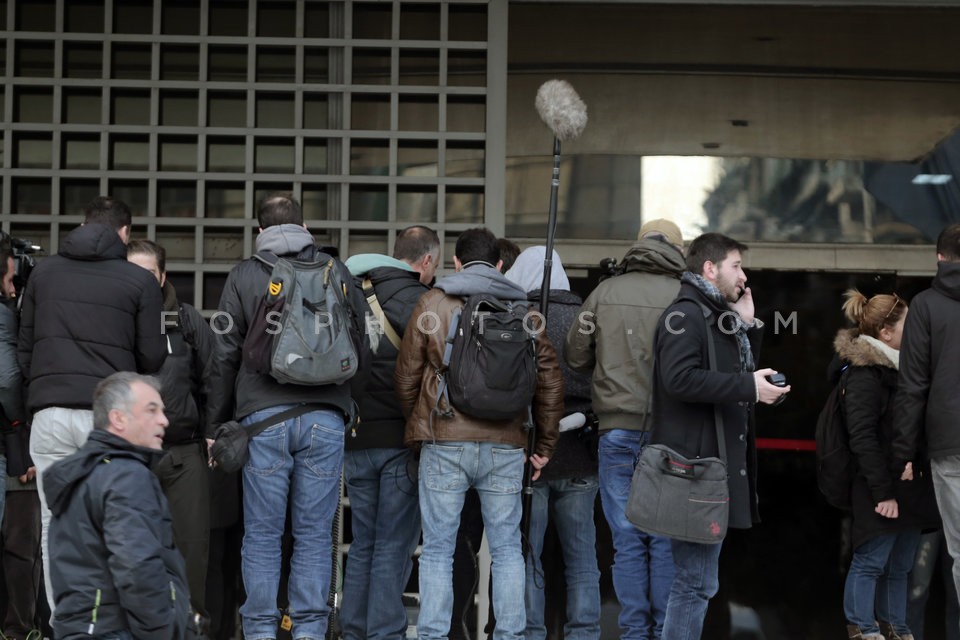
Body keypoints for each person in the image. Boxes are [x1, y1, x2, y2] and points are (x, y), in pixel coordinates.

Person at [204, 191, 369, 640]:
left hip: (263, 422)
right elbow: (362, 347)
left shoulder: (244, 275)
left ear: (260, 232)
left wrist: (216, 425)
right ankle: (310, 631)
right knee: (315, 535)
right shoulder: (338, 272)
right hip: (325, 419)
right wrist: (344, 404)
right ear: (305, 227)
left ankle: (259, 631)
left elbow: (223, 353)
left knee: (261, 534)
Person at [394, 227, 564, 640]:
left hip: (444, 440)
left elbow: (406, 378)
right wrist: (542, 446)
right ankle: (509, 635)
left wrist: (420, 425)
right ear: (502, 264)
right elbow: (549, 381)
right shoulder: (524, 311)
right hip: (505, 446)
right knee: (507, 549)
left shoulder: (433, 302)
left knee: (437, 549)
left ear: (454, 262)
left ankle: (433, 635)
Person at [17, 195, 167, 613]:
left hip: (49, 415)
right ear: (125, 233)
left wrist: (41, 395)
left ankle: (70, 623)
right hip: (108, 418)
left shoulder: (43, 274)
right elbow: (153, 357)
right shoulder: (138, 282)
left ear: (83, 225)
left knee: (55, 525)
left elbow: (24, 350)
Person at [651, 232, 789, 640]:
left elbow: (728, 371)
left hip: (708, 468)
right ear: (710, 268)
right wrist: (749, 387)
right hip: (695, 469)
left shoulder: (710, 313)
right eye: (736, 266)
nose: (743, 276)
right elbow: (678, 379)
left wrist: (746, 325)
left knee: (698, 583)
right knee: (694, 583)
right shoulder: (687, 314)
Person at [565, 219, 686, 639]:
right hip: (672, 434)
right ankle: (666, 630)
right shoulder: (686, 297)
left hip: (616, 431)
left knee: (628, 539)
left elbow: (575, 357)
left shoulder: (604, 293)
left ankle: (635, 633)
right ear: (676, 249)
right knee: (666, 537)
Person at [339, 225, 439, 640]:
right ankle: (383, 632)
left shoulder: (349, 292)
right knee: (392, 547)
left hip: (356, 436)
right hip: (400, 440)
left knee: (363, 542)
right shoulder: (423, 301)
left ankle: (352, 629)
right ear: (427, 261)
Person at [42, 372, 191, 640]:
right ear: (118, 418)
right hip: (116, 630)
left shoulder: (84, 474)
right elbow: (136, 566)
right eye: (151, 410)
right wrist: (163, 632)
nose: (164, 420)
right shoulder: (125, 475)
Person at [505, 246, 601, 640]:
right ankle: (585, 632)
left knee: (529, 557)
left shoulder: (520, 317)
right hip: (580, 454)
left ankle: (531, 632)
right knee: (582, 558)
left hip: (532, 454)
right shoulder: (586, 319)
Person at [835, 290, 939, 640]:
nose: (917, 331)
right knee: (871, 561)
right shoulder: (865, 374)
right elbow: (862, 438)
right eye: (909, 324)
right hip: (879, 487)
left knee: (901, 566)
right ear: (886, 332)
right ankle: (863, 629)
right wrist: (883, 491)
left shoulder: (905, 369)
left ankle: (897, 628)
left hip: (909, 486)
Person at [128, 239, 214, 627]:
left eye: (147, 274)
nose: (140, 283)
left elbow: (216, 376)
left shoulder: (187, 319)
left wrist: (211, 431)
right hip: (129, 457)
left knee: (190, 554)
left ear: (162, 277)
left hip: (183, 455)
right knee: (128, 549)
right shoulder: (113, 315)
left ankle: (189, 627)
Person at [894, 222, 960, 635]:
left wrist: (903, 453)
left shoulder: (926, 305)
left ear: (939, 257)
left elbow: (912, 385)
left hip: (950, 445)